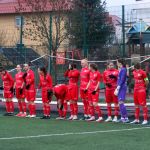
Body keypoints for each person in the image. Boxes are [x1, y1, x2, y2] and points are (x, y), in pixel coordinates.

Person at [114, 58, 129, 123]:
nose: (116, 63)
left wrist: (118, 87)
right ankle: (123, 117)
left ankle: (126, 117)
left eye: (117, 62)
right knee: (120, 103)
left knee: (121, 102)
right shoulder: (121, 69)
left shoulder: (123, 69)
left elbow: (122, 79)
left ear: (120, 63)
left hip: (122, 87)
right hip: (120, 87)